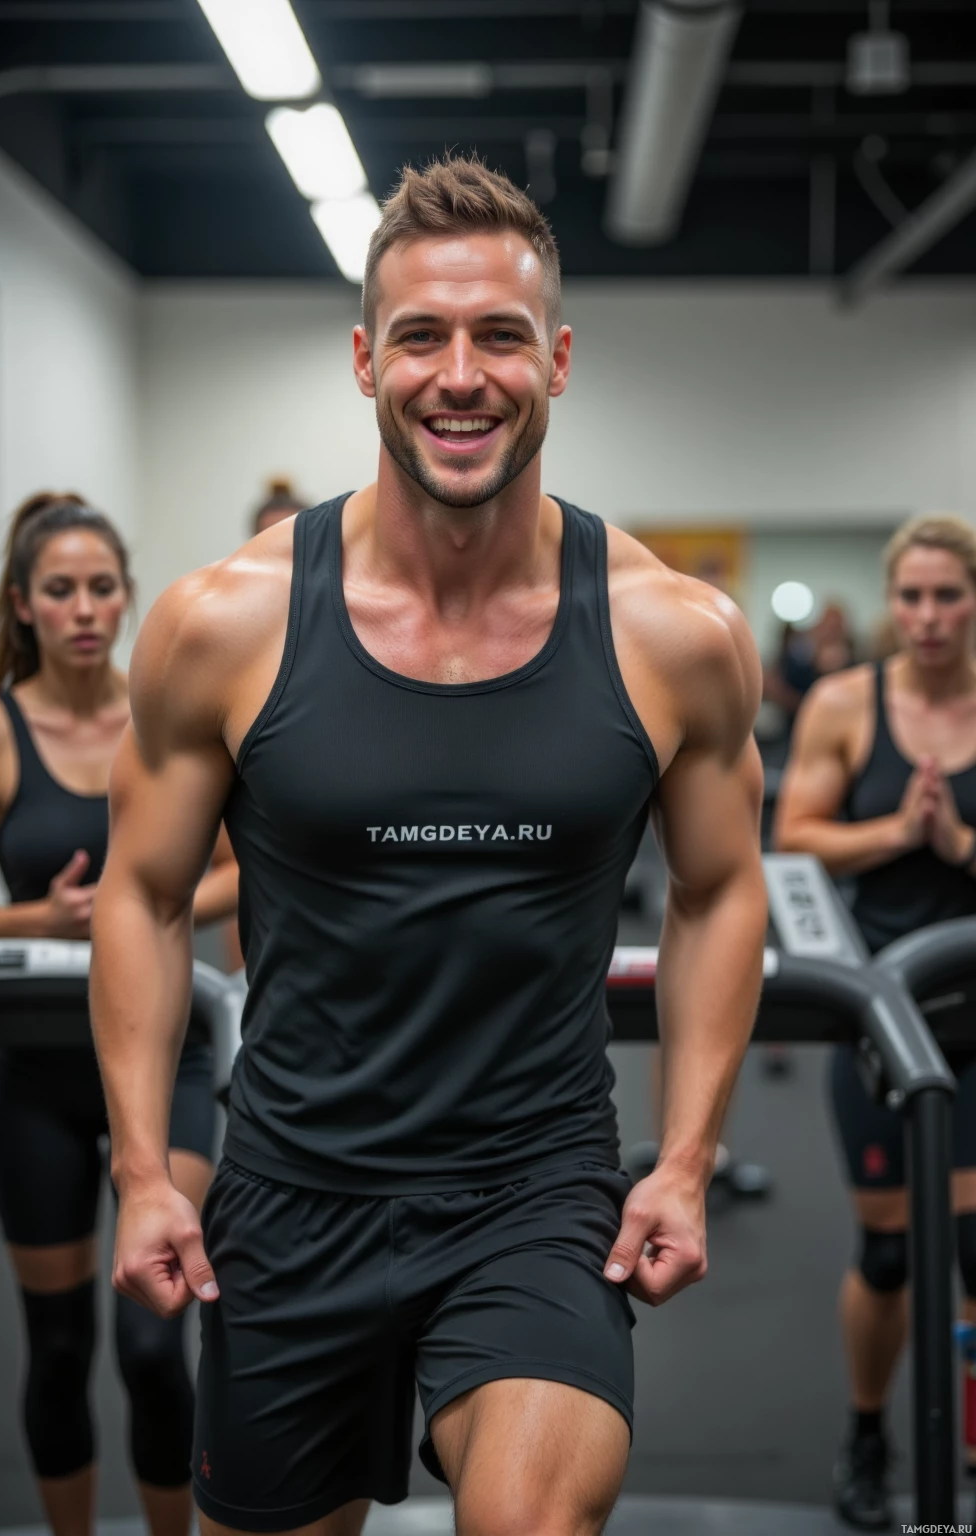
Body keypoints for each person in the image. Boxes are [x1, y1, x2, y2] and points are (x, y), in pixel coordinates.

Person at [91, 154, 768, 1536]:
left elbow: (720, 890)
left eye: (500, 336)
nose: (461, 375)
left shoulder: (674, 635)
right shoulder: (224, 624)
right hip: (291, 1194)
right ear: (365, 360)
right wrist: (148, 1169)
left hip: (537, 1190)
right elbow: (146, 894)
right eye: (422, 337)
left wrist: (688, 1158)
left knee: (526, 1522)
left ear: (558, 358)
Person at [0, 492, 239, 1536]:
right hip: (37, 1078)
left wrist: (130, 915)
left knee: (156, 1344)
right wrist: (38, 917)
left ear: (127, 599)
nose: (85, 609)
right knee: (61, 1346)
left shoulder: (165, 718)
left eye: (103, 587)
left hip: (173, 1066)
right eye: (60, 590)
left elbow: (237, 866)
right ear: (24, 606)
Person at [774, 514, 976, 1531]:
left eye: (948, 595)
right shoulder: (849, 704)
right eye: (911, 597)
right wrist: (900, 831)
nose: (928, 616)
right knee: (889, 1252)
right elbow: (792, 836)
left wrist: (959, 840)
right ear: (891, 603)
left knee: (975, 1246)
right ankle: (867, 1433)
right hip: (875, 1010)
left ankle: (971, 1448)